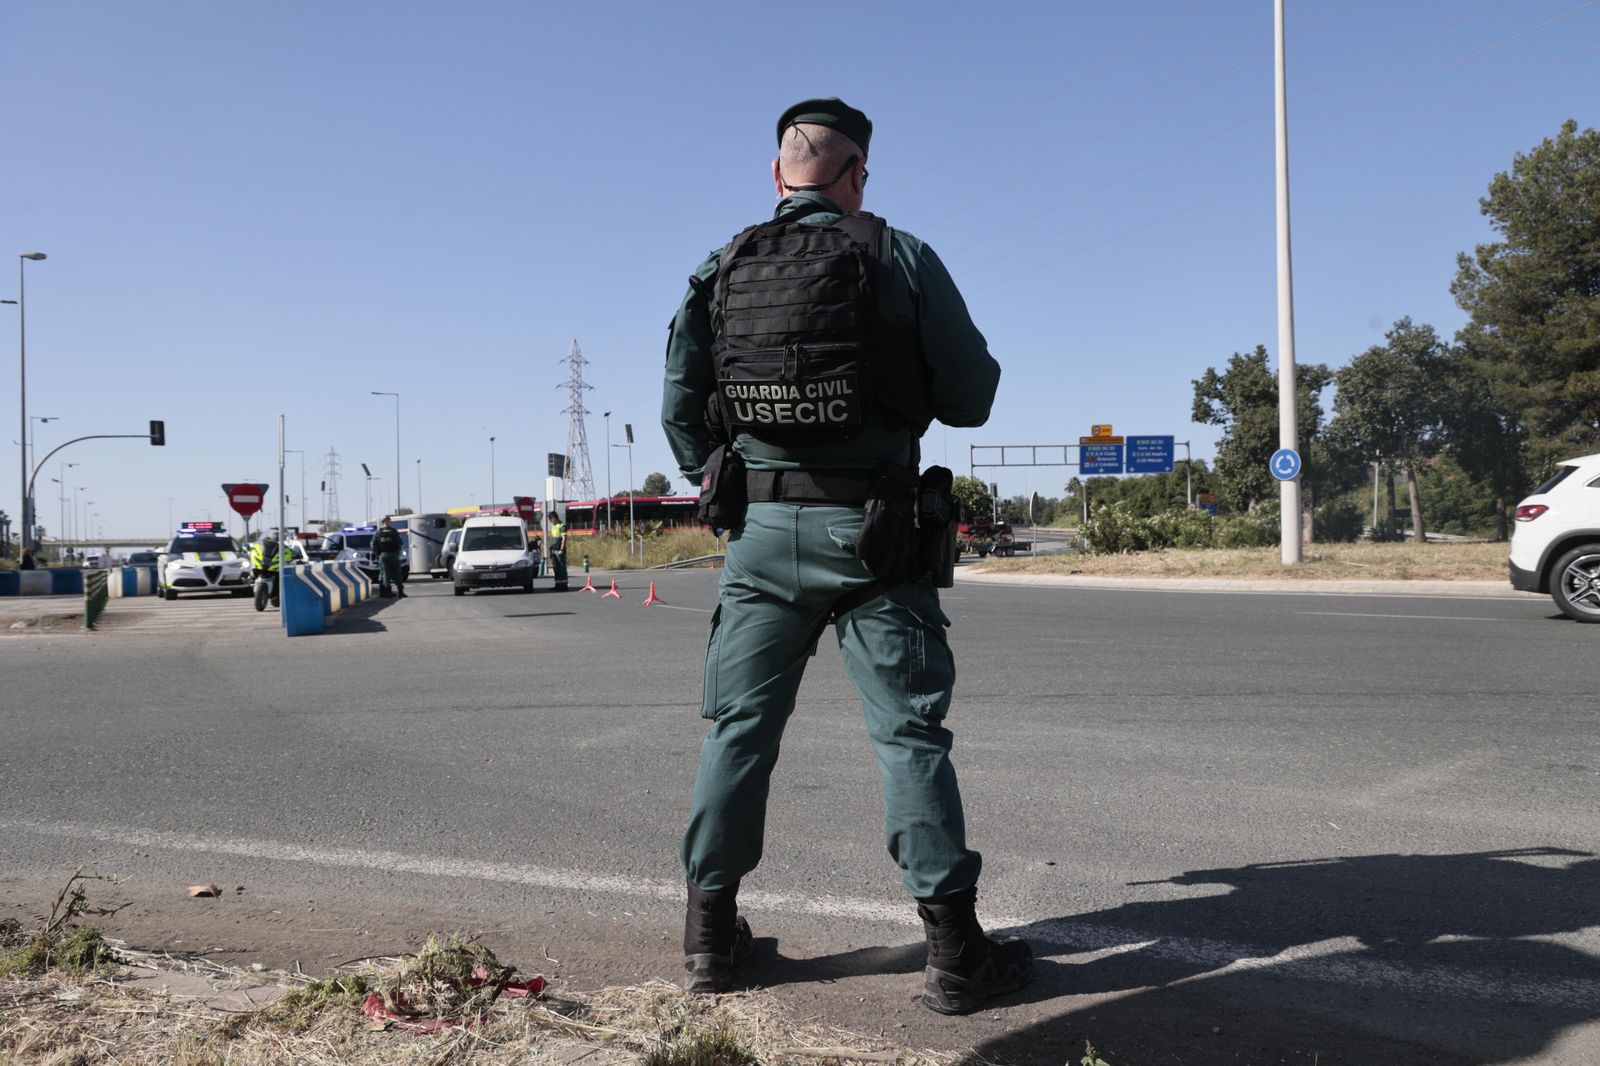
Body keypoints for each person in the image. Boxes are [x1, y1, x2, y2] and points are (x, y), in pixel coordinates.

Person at [660, 98, 1028, 1015]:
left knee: (738, 733)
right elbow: (973, 395)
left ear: (779, 176)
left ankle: (710, 943)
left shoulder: (723, 264)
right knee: (908, 737)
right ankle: (953, 956)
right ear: (857, 172)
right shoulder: (898, 255)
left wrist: (734, 472)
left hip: (759, 541)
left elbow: (680, 406)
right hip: (876, 535)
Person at [373, 517, 406, 598]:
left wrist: (378, 554)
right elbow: (400, 542)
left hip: (383, 555)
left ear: (383, 523)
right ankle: (400, 592)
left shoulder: (378, 533)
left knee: (385, 574)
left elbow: (374, 544)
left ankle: (386, 592)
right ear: (389, 522)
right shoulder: (394, 532)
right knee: (397, 573)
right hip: (394, 555)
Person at [548, 514, 568, 590]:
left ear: (555, 518)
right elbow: (553, 539)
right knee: (556, 568)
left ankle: (564, 585)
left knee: (561, 567)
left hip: (559, 550)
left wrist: (562, 549)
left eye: (551, 520)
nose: (551, 522)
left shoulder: (562, 526)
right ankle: (558, 585)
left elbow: (564, 538)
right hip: (554, 549)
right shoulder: (553, 527)